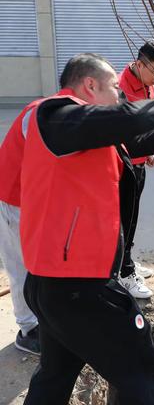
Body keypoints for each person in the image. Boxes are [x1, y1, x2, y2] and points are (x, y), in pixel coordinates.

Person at [14, 53, 154, 405]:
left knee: (55, 377)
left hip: (55, 288)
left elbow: (138, 141)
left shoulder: (89, 134)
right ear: (90, 86)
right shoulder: (54, 115)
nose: (121, 96)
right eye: (115, 88)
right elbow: (118, 118)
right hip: (79, 289)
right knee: (142, 375)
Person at [117, 41, 154, 298]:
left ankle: (127, 259)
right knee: (123, 219)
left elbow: (145, 121)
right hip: (122, 166)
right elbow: (121, 131)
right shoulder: (120, 89)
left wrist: (148, 150)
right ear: (140, 64)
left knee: (133, 215)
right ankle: (124, 273)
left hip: (139, 161)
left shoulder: (148, 84)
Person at [0, 107, 40, 355]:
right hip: (12, 197)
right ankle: (28, 330)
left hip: (34, 199)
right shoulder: (40, 115)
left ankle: (42, 318)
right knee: (20, 265)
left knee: (37, 263)